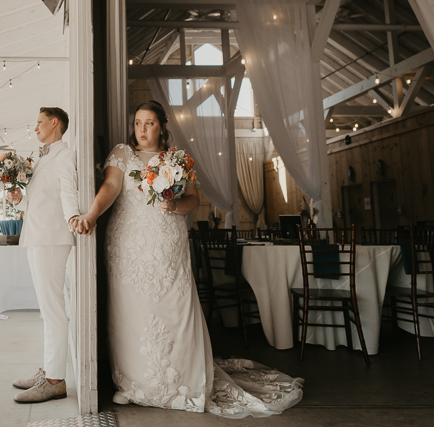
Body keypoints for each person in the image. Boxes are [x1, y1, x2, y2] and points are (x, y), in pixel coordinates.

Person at [72, 100, 303, 419]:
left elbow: (193, 198)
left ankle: (180, 383)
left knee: (172, 307)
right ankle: (132, 384)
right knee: (131, 310)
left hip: (168, 240)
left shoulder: (177, 158)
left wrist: (175, 207)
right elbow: (111, 186)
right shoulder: (122, 154)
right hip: (128, 242)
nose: (142, 130)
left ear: (162, 126)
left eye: (149, 123)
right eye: (138, 123)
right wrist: (91, 214)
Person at [7, 107, 79, 404]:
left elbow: (67, 192)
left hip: (52, 238)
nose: (35, 127)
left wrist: (74, 216)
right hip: (37, 236)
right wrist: (19, 198)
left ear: (54, 123)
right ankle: (50, 369)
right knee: (46, 311)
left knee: (53, 311)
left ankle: (54, 381)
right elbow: (38, 200)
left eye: (39, 122)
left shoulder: (65, 155)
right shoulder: (41, 157)